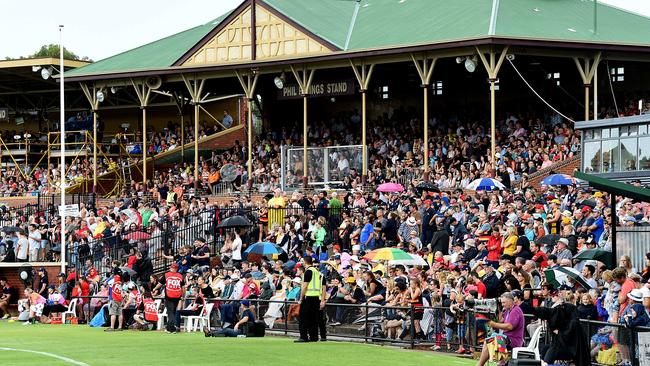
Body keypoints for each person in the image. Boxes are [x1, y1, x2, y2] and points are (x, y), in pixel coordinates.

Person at [475, 292, 525, 366]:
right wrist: (499, 310)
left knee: (494, 340)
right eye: (502, 303)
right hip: (506, 338)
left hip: (514, 340)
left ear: (510, 301)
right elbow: (500, 321)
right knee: (488, 341)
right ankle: (495, 363)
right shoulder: (508, 310)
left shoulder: (516, 310)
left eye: (504, 302)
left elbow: (509, 326)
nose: (502, 304)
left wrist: (494, 324)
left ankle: (497, 363)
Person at [295, 255, 326, 342]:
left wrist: (301, 298)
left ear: (305, 262)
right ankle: (314, 337)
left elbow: (305, 286)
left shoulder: (308, 271)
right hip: (316, 297)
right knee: (313, 319)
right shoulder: (316, 271)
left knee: (303, 317)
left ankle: (303, 336)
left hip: (308, 297)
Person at [155, 263, 184, 333]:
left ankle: (172, 329)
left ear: (171, 268)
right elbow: (183, 286)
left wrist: (154, 288)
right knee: (173, 311)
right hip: (177, 296)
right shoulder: (180, 276)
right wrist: (182, 295)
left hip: (169, 296)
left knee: (170, 312)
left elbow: (160, 284)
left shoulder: (166, 275)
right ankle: (168, 327)